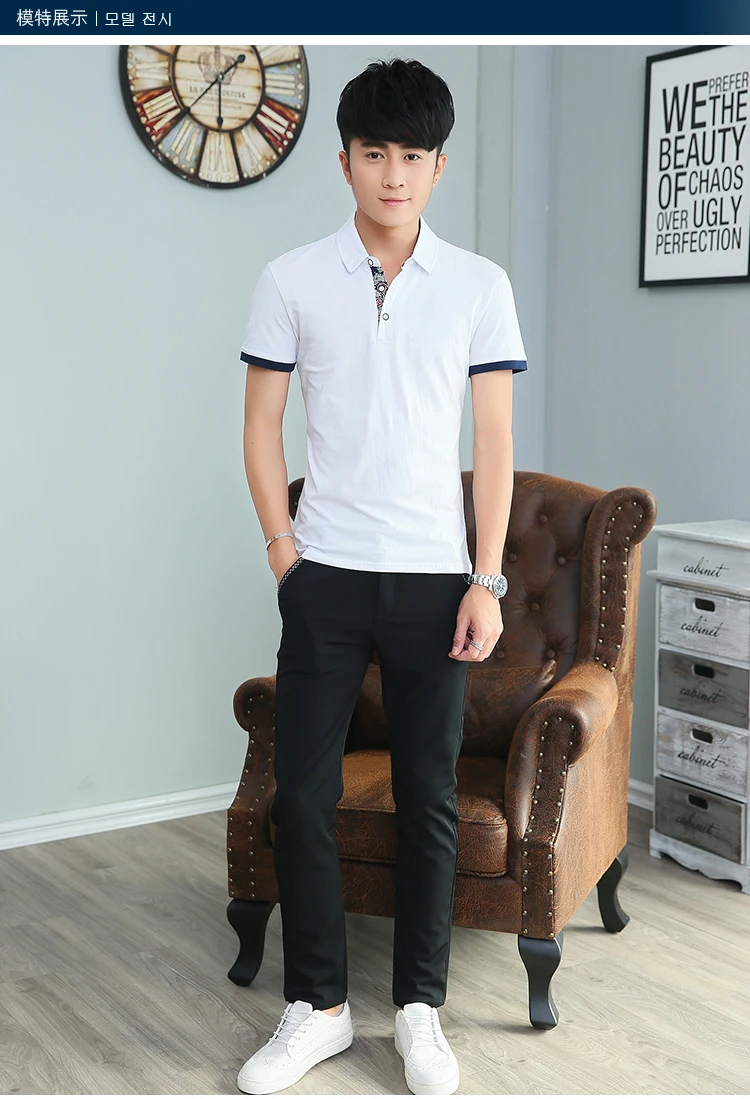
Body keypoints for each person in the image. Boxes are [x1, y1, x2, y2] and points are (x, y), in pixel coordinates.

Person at [235, 56, 527, 1096]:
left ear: (439, 166)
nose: (392, 174)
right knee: (302, 797)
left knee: (429, 800)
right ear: (346, 161)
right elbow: (261, 425)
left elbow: (494, 443)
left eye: (411, 155)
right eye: (373, 153)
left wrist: (486, 580)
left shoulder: (480, 286)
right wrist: (285, 552)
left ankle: (419, 1010)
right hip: (326, 575)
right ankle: (317, 1007)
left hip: (435, 582)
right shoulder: (291, 279)